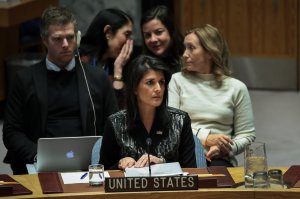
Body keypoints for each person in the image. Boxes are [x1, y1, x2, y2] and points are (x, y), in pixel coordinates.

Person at [2, 6, 118, 174]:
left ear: (77, 38)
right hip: (38, 162)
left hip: (89, 164)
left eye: (70, 37)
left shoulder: (96, 78)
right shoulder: (24, 79)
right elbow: (11, 132)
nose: (65, 45)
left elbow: (114, 125)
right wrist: (37, 155)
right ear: (44, 40)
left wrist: (97, 155)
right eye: (58, 39)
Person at [168, 24, 256, 167]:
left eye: (191, 48)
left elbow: (247, 135)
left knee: (219, 181)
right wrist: (205, 138)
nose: (184, 54)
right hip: (184, 151)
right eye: (185, 47)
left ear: (210, 52)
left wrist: (226, 148)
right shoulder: (177, 80)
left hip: (219, 157)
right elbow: (173, 124)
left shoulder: (237, 88)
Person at [100, 55, 196, 170]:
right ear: (135, 88)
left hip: (168, 187)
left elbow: (191, 170)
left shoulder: (180, 120)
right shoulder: (115, 123)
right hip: (131, 187)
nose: (158, 89)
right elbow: (103, 172)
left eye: (161, 82)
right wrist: (121, 163)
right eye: (150, 82)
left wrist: (163, 164)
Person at [79, 8, 134, 108]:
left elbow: (120, 112)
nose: (128, 42)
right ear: (108, 32)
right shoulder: (80, 61)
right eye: (126, 35)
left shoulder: (117, 63)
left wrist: (118, 70)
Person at [141, 5, 184, 74]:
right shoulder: (142, 66)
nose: (153, 39)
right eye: (148, 35)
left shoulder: (188, 61)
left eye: (159, 32)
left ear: (171, 31)